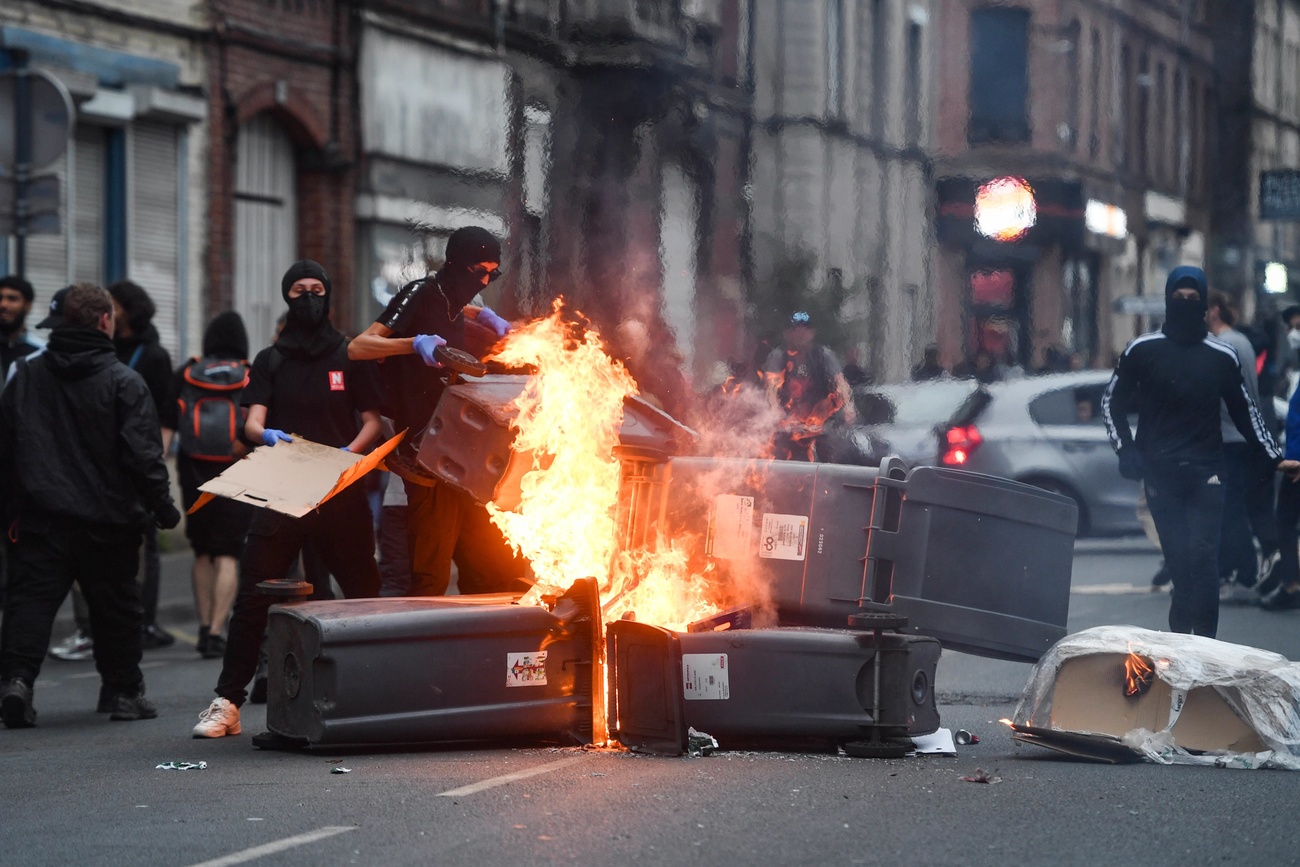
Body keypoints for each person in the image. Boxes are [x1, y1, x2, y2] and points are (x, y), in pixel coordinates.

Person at [192, 260, 384, 738]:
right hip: (282, 490)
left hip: (338, 488)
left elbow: (373, 421)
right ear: (286, 299)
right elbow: (252, 423)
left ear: (330, 296)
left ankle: (380, 691)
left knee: (363, 593)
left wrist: (348, 455)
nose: (308, 298)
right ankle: (227, 703)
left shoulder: (349, 354)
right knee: (255, 597)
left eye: (317, 289)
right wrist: (268, 435)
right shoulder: (270, 359)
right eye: (298, 291)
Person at [0, 283, 180, 728]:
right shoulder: (123, 380)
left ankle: (17, 684)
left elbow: (5, 449)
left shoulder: (24, 373)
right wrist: (163, 508)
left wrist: (9, 511)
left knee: (30, 604)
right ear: (105, 321)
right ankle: (123, 692)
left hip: (40, 518)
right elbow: (144, 455)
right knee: (117, 608)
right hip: (109, 520)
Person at [1102, 266, 1299, 639]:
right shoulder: (1143, 350)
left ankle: (1205, 644)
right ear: (1168, 300)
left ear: (1206, 303)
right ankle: (1180, 640)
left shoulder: (1221, 356)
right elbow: (1111, 401)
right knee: (1178, 560)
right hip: (1160, 472)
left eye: (1195, 299)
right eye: (1180, 298)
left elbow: (1247, 412)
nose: (1187, 305)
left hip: (1208, 471)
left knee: (1204, 554)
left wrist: (1274, 458)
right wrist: (1125, 449)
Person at [348, 226, 526, 598]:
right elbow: (359, 346)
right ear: (455, 264)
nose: (485, 279)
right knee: (429, 573)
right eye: (479, 270)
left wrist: (485, 315)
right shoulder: (420, 292)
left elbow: (457, 305)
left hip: (457, 447)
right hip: (421, 452)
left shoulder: (454, 301)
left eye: (494, 272)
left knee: (485, 566)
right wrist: (414, 344)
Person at [175, 312, 255, 660]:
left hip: (194, 467)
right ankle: (216, 630)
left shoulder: (187, 372)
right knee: (228, 553)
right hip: (237, 467)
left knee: (202, 550)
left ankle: (202, 625)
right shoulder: (250, 373)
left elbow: (167, 422)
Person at [108, 280, 178, 651]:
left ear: (130, 309)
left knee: (146, 543)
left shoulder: (153, 354)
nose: (109, 310)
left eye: (115, 304)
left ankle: (145, 621)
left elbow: (167, 410)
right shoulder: (103, 347)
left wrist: (159, 455)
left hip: (140, 458)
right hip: (104, 460)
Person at [1206, 292, 1278, 601]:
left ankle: (1244, 575)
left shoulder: (1224, 345)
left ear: (1213, 311)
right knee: (1236, 508)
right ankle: (1244, 573)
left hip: (1227, 436)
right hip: (1240, 436)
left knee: (1229, 510)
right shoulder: (1242, 342)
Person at [762, 310, 856, 461]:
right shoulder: (779, 356)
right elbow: (772, 388)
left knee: (831, 455)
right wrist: (775, 410)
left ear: (812, 333)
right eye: (796, 330)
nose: (801, 334)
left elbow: (840, 382)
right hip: (789, 423)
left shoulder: (823, 355)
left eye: (805, 329)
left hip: (820, 422)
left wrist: (848, 407)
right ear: (787, 333)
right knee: (779, 458)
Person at [0, 275, 42, 378]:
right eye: (0, 298)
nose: (3, 304)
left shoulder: (40, 352)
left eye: (12, 299)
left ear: (28, 305)